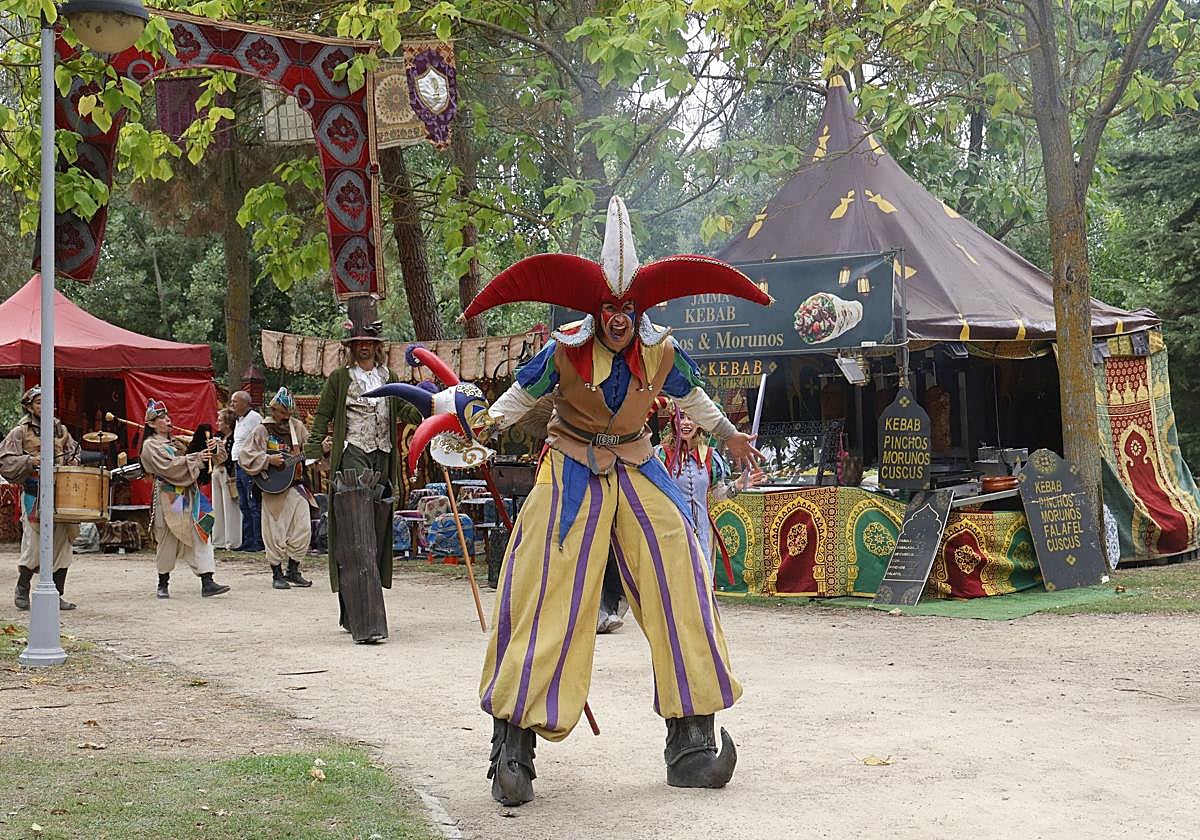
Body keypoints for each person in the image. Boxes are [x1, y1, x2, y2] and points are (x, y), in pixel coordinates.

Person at [463, 196, 770, 806]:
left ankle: (691, 744)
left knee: (681, 568)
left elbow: (695, 398)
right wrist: (483, 427)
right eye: (611, 308)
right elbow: (520, 399)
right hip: (571, 464)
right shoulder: (564, 350)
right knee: (542, 583)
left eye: (629, 308)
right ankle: (511, 749)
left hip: (638, 462)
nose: (620, 317)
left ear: (640, 309)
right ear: (596, 308)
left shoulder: (661, 350)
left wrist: (731, 437)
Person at [303, 304, 405, 630]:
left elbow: (405, 411)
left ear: (377, 346)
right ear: (351, 347)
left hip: (382, 456)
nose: (364, 346)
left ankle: (367, 606)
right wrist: (313, 449)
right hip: (353, 456)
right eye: (358, 341)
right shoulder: (340, 378)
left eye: (369, 342)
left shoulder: (390, 377)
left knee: (374, 532)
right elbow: (322, 416)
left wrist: (435, 407)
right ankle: (356, 613)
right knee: (354, 533)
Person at [138, 399, 231, 599]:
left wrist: (213, 447)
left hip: (190, 494)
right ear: (152, 424)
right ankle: (163, 583)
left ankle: (208, 581)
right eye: (161, 418)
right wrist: (197, 457)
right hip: (172, 495)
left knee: (201, 530)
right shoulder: (150, 446)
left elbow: (214, 460)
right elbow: (170, 468)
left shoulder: (178, 441)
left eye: (167, 416)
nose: (167, 420)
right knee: (169, 537)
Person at [0, 386, 81, 610]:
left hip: (62, 495)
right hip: (35, 493)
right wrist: (29, 461)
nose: (44, 407)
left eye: (47, 403)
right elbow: (4, 460)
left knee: (63, 546)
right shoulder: (20, 431)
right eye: (38, 403)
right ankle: (23, 588)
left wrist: (74, 461)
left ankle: (56, 595)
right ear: (29, 406)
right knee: (35, 547)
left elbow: (74, 451)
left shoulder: (60, 429)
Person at [656, 409, 766, 573]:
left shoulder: (709, 456)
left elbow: (718, 494)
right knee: (674, 576)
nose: (686, 422)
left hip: (701, 530)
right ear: (674, 422)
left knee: (701, 574)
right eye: (681, 418)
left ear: (699, 424)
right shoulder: (661, 455)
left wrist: (738, 485)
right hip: (670, 529)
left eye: (691, 418)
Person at [238, 387, 314, 590]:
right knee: (275, 531)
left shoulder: (297, 427)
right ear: (273, 410)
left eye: (286, 413)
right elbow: (245, 456)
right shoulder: (262, 429)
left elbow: (310, 451)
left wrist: (322, 449)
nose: (283, 417)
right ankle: (276, 573)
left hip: (297, 487)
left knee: (303, 529)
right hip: (274, 488)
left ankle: (294, 569)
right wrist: (267, 459)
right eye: (280, 412)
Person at [230, 390, 265, 552]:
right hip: (238, 465)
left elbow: (261, 439)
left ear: (245, 402)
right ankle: (247, 539)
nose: (232, 405)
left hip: (249, 466)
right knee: (243, 504)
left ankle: (258, 541)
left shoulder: (255, 418)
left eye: (235, 402)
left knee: (253, 504)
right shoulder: (239, 420)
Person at [210, 408, 242, 550]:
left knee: (230, 507)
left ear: (228, 423)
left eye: (220, 420)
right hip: (216, 471)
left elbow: (230, 457)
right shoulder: (217, 436)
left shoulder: (234, 438)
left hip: (227, 473)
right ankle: (219, 540)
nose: (217, 423)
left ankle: (232, 540)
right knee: (217, 506)